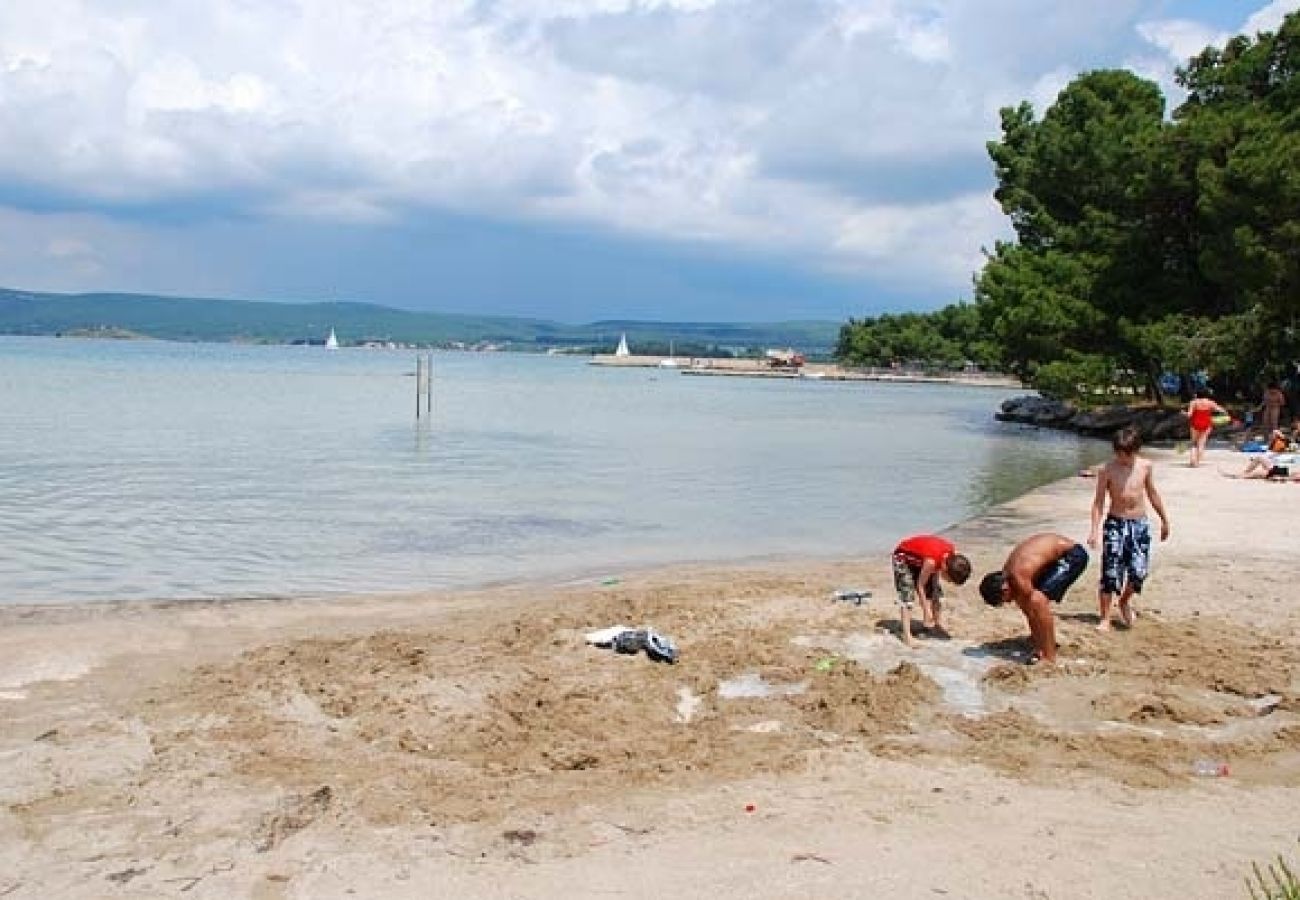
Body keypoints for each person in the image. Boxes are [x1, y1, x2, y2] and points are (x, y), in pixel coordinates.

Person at [1088, 426, 1171, 631]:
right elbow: (1098, 502)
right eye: (1119, 453)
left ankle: (1124, 601)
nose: (1122, 458)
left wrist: (1164, 520)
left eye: (1127, 454)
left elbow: (1152, 493)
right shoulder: (1107, 469)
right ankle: (1105, 617)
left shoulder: (1145, 466)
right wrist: (1094, 530)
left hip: (1139, 523)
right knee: (1110, 572)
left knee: (1138, 572)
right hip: (1116, 522)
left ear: (1135, 451)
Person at [978, 533, 1089, 664]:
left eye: (1005, 600)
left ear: (1004, 589)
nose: (1009, 602)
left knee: (1038, 601)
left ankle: (1050, 656)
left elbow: (1035, 608)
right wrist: (1037, 645)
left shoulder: (1019, 576)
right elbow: (1028, 612)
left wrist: (1043, 649)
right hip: (1053, 560)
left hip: (1073, 555)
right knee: (1032, 604)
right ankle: (1040, 643)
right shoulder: (1009, 577)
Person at [891, 534, 971, 648]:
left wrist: (933, 593)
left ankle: (937, 625)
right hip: (903, 558)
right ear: (945, 568)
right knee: (907, 595)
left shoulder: (950, 554)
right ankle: (907, 636)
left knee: (936, 592)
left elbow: (933, 583)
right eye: (949, 580)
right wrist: (926, 610)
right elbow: (920, 586)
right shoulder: (931, 562)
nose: (949, 582)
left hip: (922, 560)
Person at [1185, 389, 1228, 468]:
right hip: (1206, 423)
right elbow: (1222, 410)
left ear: (1197, 394)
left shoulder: (1193, 402)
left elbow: (1189, 415)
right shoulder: (1210, 402)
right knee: (1201, 443)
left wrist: (1184, 413)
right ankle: (1197, 463)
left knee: (1193, 443)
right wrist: (1224, 416)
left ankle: (1192, 461)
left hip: (1195, 423)